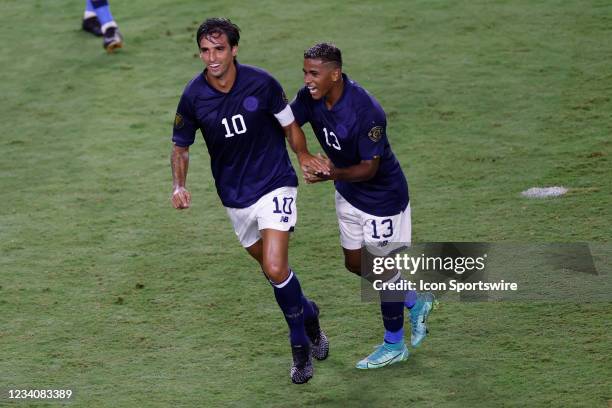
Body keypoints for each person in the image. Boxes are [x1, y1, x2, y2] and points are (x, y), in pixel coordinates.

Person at [170, 18, 329, 384]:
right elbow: (180, 145)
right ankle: (309, 313)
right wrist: (178, 185)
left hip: (275, 182)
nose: (211, 57)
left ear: (234, 49)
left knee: (275, 267)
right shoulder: (193, 96)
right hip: (235, 198)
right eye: (205, 50)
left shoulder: (262, 82)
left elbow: (290, 124)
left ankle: (301, 347)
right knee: (274, 273)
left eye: (219, 49)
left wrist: (303, 156)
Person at [290, 43, 435, 369]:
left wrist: (330, 173)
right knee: (355, 263)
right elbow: (288, 121)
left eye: (314, 73)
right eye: (305, 72)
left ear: (335, 74)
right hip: (348, 193)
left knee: (383, 270)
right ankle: (415, 300)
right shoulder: (309, 97)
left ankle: (394, 344)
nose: (307, 79)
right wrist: (303, 154)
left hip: (382, 200)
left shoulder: (366, 110)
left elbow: (369, 168)